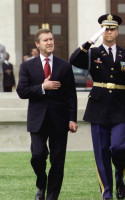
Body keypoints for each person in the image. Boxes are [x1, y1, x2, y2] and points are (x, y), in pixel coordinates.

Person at [69, 14, 125, 200]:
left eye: (112, 29)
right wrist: (90, 40)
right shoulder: (92, 53)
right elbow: (74, 59)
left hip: (119, 107)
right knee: (101, 153)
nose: (109, 32)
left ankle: (119, 176)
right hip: (99, 107)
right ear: (102, 31)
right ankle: (106, 192)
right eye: (105, 29)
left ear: (117, 32)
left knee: (117, 147)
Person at [16, 28, 78, 200]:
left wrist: (72, 118)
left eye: (51, 39)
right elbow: (21, 91)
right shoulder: (27, 66)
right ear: (37, 44)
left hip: (60, 120)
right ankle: (41, 182)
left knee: (58, 162)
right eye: (45, 40)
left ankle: (51, 196)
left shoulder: (64, 66)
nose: (50, 42)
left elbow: (70, 95)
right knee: (37, 155)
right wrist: (43, 87)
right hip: (37, 120)